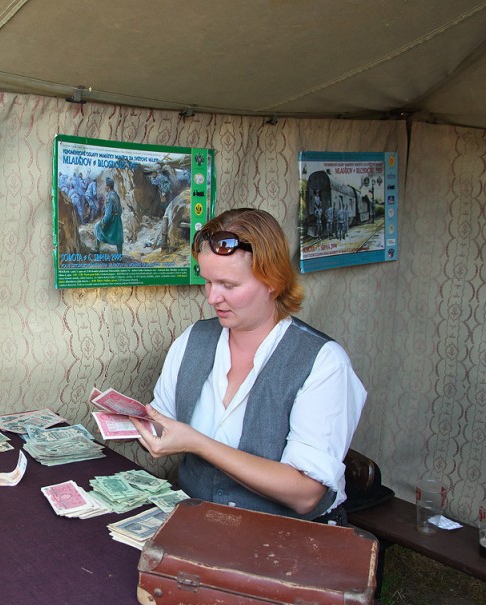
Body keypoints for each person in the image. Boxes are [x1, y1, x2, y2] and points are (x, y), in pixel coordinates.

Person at [131, 208, 366, 524]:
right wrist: (131, 420)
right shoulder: (194, 339)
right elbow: (164, 421)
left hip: (286, 539)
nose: (213, 297)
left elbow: (305, 494)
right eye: (208, 281)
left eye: (229, 285)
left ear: (273, 281)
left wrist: (197, 443)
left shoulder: (323, 362)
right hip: (199, 523)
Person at [94, 176, 123, 255]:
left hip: (112, 220)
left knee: (97, 226)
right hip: (118, 220)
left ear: (109, 187)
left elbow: (108, 215)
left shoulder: (109, 197)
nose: (105, 187)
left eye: (106, 185)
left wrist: (102, 222)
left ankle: (97, 250)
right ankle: (119, 256)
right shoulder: (116, 195)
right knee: (119, 238)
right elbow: (120, 210)